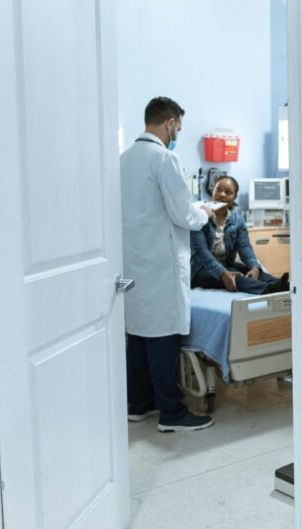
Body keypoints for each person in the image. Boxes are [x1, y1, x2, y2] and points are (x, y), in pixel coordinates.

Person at [121, 96, 215, 433]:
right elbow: (183, 214)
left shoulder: (124, 159)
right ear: (171, 122)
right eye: (178, 127)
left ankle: (138, 403)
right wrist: (204, 213)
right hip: (160, 264)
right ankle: (171, 413)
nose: (177, 133)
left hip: (133, 263)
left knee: (139, 334)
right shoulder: (164, 159)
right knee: (162, 336)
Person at [190, 175, 289, 295]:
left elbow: (244, 247)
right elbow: (201, 252)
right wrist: (223, 273)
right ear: (213, 191)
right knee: (237, 278)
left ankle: (286, 287)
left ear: (234, 197)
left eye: (228, 192)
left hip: (226, 264)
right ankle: (267, 290)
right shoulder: (200, 217)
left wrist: (254, 267)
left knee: (256, 272)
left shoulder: (237, 219)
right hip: (200, 270)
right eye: (218, 189)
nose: (222, 194)